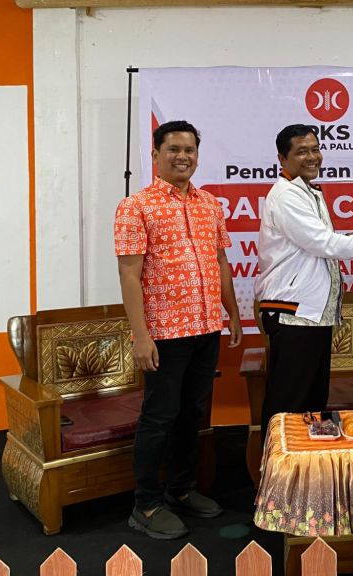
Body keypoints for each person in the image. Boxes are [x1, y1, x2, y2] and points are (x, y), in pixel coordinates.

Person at [114, 120, 243, 540]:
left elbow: (220, 262)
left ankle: (182, 490)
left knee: (193, 414)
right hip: (165, 333)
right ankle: (146, 504)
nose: (182, 156)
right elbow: (129, 275)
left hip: (205, 327)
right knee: (160, 416)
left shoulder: (210, 205)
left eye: (189, 149)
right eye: (173, 149)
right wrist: (141, 336)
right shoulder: (136, 207)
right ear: (155, 155)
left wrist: (232, 312)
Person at [256, 124, 353, 433]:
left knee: (312, 404)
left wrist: (350, 239)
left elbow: (313, 244)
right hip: (293, 314)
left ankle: (308, 462)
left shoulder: (306, 190)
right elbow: (321, 243)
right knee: (290, 406)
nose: (312, 157)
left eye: (315, 149)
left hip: (311, 316)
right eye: (302, 151)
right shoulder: (286, 196)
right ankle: (276, 462)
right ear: (282, 158)